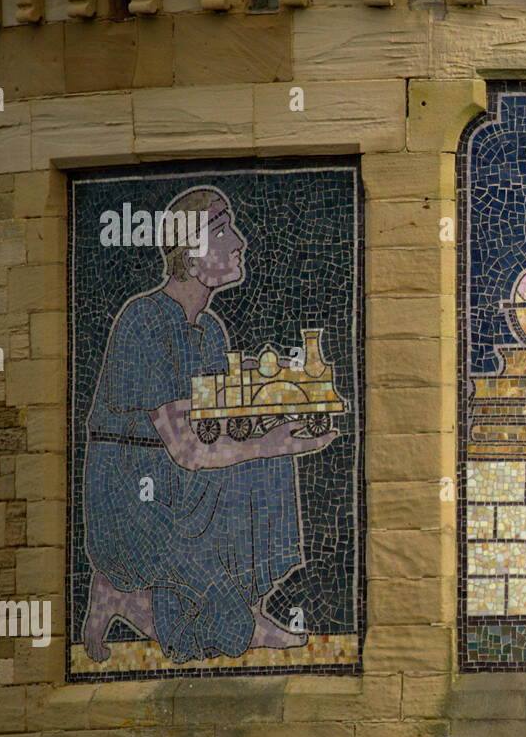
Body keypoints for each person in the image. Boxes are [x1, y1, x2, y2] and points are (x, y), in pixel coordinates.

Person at [81, 185, 337, 663]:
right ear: (191, 257)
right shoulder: (144, 321)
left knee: (267, 462)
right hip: (135, 496)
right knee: (264, 458)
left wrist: (278, 430)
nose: (238, 242)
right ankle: (128, 596)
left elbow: (218, 430)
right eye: (222, 232)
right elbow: (187, 450)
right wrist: (271, 444)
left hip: (179, 480)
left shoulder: (211, 329)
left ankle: (245, 607)